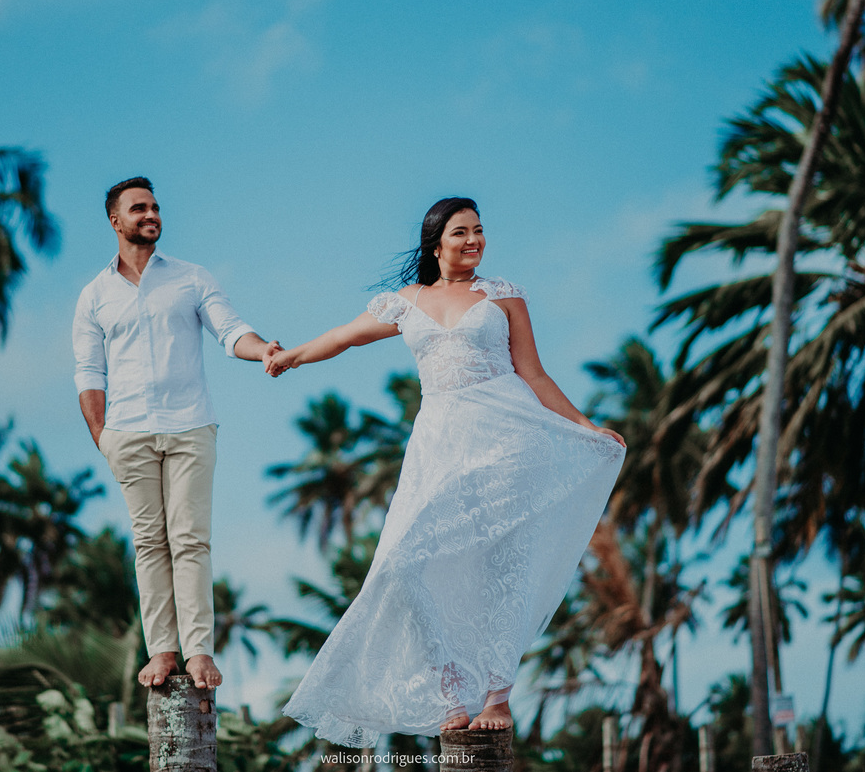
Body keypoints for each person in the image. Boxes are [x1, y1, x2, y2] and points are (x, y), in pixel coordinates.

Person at [266, 197, 626, 746]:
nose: (474, 240)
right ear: (436, 244)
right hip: (439, 442)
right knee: (403, 563)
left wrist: (584, 424)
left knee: (500, 562)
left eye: (480, 230)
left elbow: (532, 372)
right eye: (462, 232)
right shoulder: (405, 302)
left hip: (509, 436)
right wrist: (291, 355)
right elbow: (341, 336)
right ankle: (452, 686)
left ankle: (497, 696)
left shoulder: (502, 296)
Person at [73, 176, 280, 689]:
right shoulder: (94, 295)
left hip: (190, 426)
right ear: (115, 221)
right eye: (139, 208)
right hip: (128, 434)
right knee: (149, 543)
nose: (151, 215)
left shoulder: (190, 278)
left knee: (189, 539)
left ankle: (198, 652)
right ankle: (162, 650)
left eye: (156, 207)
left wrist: (264, 352)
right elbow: (88, 373)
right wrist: (103, 437)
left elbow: (231, 331)